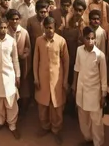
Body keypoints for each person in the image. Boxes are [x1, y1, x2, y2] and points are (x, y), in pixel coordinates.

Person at [33, 16, 69, 144]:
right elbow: (36, 60)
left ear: (55, 28)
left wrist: (65, 80)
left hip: (57, 80)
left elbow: (66, 62)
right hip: (42, 78)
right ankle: (45, 127)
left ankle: (56, 130)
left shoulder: (61, 41)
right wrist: (36, 78)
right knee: (43, 105)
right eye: (47, 28)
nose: (49, 30)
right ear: (44, 27)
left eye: (51, 28)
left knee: (57, 106)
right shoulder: (39, 41)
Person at [72, 26, 107, 146]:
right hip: (81, 89)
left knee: (96, 120)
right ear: (83, 39)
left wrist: (103, 95)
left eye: (93, 38)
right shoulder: (79, 50)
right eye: (88, 38)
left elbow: (103, 77)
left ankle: (98, 143)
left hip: (94, 92)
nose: (91, 41)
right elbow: (77, 68)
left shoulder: (100, 55)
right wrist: (74, 85)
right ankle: (88, 138)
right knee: (83, 118)